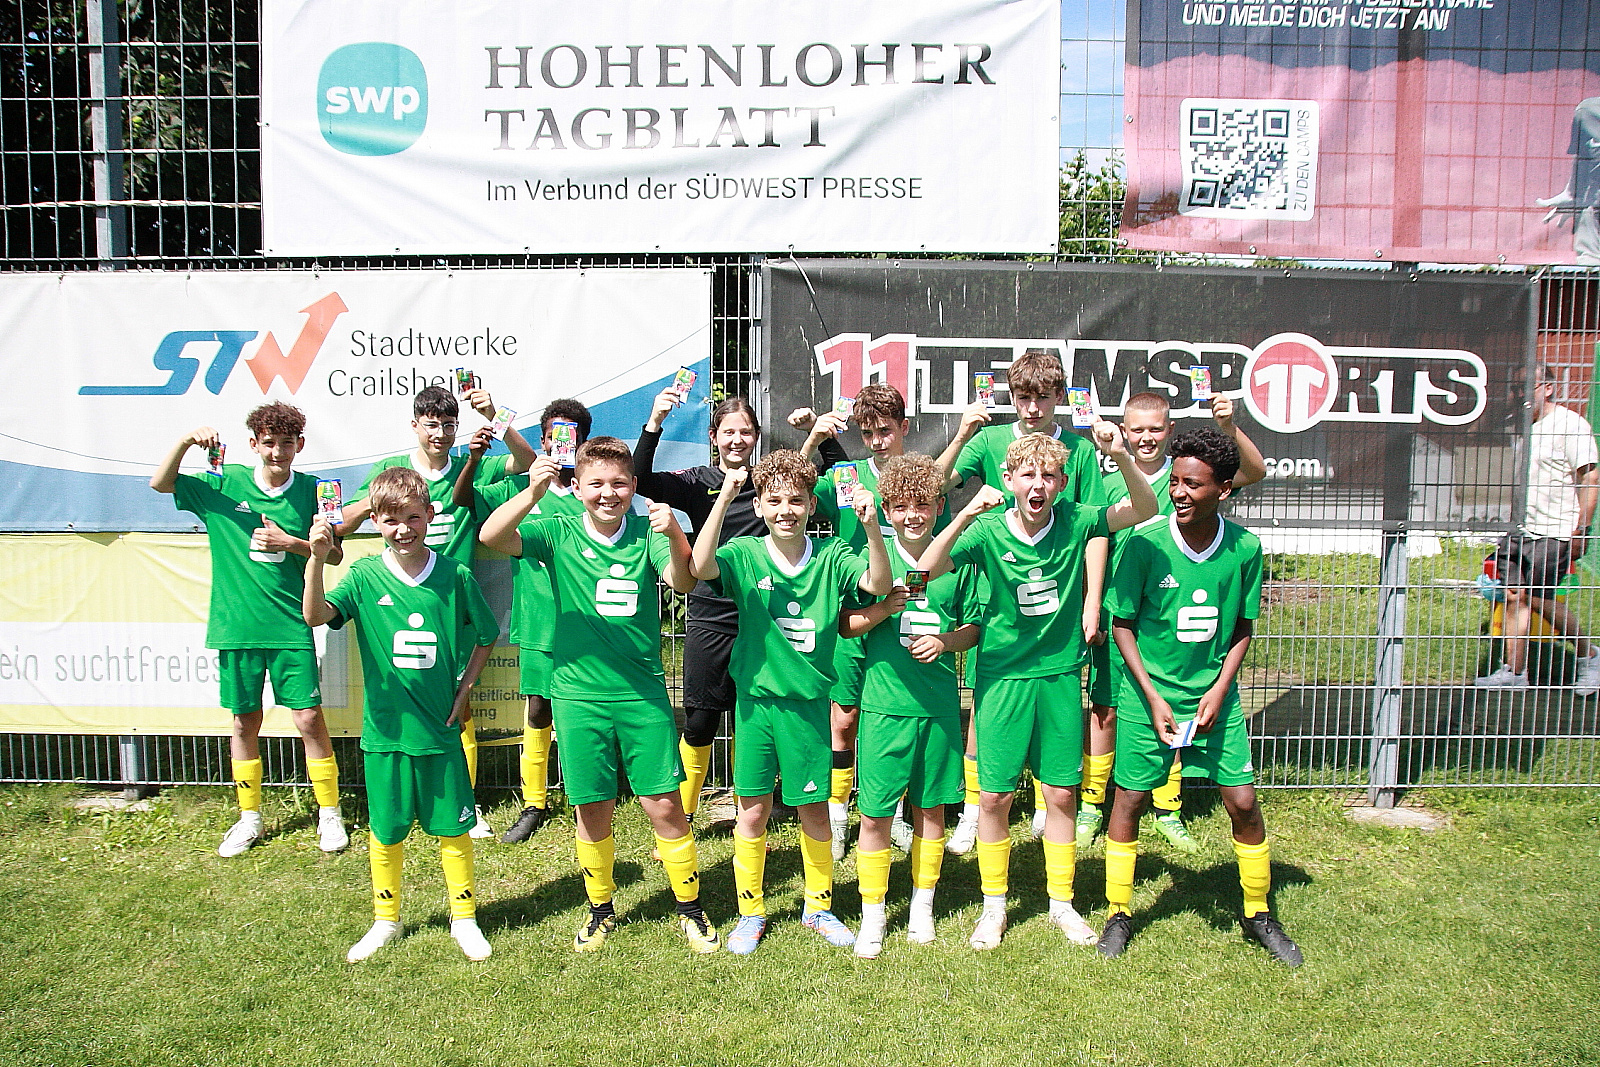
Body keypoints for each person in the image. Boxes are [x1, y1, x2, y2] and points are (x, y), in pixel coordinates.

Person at [919, 425, 1158, 950]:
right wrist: (964, 513)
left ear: (1062, 483)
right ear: (1008, 479)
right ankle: (994, 907)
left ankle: (1061, 904)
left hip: (1058, 675)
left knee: (1060, 792)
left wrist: (1120, 454)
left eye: (1048, 476)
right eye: (1027, 474)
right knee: (995, 796)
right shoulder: (988, 530)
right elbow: (926, 567)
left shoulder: (1078, 519)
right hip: (1002, 677)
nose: (1038, 485)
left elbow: (1144, 507)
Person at [480, 438, 721, 954]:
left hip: (641, 695)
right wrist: (532, 492)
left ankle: (691, 907)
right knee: (592, 806)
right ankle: (600, 910)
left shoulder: (646, 532)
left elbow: (682, 582)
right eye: (596, 484)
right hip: (577, 696)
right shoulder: (557, 530)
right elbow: (491, 536)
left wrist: (675, 532)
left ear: (633, 486)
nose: (608, 494)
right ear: (578, 487)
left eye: (619, 484)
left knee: (663, 804)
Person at [1097, 427, 1301, 967]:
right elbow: (1122, 625)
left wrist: (1220, 687)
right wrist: (1151, 696)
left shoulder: (1245, 548)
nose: (1179, 492)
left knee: (1243, 802)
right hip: (1149, 699)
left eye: (1193, 484)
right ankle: (1119, 912)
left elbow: (1242, 627)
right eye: (1176, 481)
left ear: (1224, 489)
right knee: (1130, 800)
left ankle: (1258, 911)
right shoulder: (1145, 543)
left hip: (1215, 699)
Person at [690, 450, 892, 955]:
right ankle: (751, 911)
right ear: (759, 505)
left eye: (796, 500)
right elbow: (699, 566)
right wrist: (724, 500)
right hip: (756, 706)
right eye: (775, 500)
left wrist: (871, 527)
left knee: (813, 810)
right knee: (752, 810)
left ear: (811, 505)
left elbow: (877, 585)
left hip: (808, 706)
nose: (786, 510)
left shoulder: (832, 555)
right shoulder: (744, 552)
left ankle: (818, 907)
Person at [303, 467, 499, 963]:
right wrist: (316, 559)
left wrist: (466, 685)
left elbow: (486, 634)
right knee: (386, 831)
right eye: (391, 520)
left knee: (453, 829)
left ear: (430, 515)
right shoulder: (364, 576)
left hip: (439, 731)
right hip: (385, 733)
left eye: (413, 517)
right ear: (375, 521)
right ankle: (385, 920)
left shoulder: (454, 575)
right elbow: (315, 615)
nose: (403, 529)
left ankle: (465, 918)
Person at [635, 393, 845, 825]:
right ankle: (685, 813)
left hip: (765, 616)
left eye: (745, 432)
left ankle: (764, 803)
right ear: (714, 436)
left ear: (756, 436)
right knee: (700, 720)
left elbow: (838, 477)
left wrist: (818, 434)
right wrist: (654, 421)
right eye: (728, 432)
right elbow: (641, 480)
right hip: (712, 615)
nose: (737, 439)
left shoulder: (769, 484)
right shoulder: (699, 481)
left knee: (761, 714)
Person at [149, 402, 348, 857]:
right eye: (269, 443)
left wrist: (292, 542)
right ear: (254, 444)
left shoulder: (317, 491)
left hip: (290, 625)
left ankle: (330, 813)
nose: (278, 452)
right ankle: (249, 818)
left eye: (287, 443)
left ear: (299, 445)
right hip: (235, 627)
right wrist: (186, 441)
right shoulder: (224, 482)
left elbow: (334, 555)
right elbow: (160, 483)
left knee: (309, 719)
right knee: (244, 722)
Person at [340, 384, 534, 838]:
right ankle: (413, 801)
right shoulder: (392, 474)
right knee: (412, 704)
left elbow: (526, 462)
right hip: (400, 605)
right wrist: (374, 503)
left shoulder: (474, 465)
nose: (440, 434)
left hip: (451, 604)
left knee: (456, 704)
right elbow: (346, 521)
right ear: (415, 426)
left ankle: (465, 803)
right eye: (431, 425)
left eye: (449, 425)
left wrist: (495, 415)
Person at [935, 351, 1109, 853]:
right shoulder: (989, 440)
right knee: (987, 707)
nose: (1033, 408)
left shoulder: (1077, 449)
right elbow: (937, 485)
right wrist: (961, 435)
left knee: (1052, 721)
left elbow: (1095, 527)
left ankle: (1045, 808)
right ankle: (976, 810)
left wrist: (1091, 602)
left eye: (1043, 398)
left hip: (1054, 605)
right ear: (1011, 397)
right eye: (1024, 398)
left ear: (1060, 398)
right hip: (995, 596)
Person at [1081, 391, 1267, 853]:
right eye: (1136, 429)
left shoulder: (1192, 472)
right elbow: (1096, 537)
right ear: (1124, 431)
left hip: (1174, 624)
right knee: (1107, 708)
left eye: (1155, 428)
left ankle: (1168, 808)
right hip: (1126, 614)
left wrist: (1229, 428)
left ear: (1169, 430)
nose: (1146, 437)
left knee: (1179, 710)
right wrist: (1093, 602)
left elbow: (1255, 470)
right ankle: (1091, 804)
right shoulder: (1108, 481)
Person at [839, 453, 979, 957]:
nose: (912, 515)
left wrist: (944, 642)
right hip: (883, 707)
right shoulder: (869, 558)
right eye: (901, 506)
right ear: (887, 510)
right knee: (875, 814)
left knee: (931, 809)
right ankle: (873, 912)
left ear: (939, 506)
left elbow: (974, 628)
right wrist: (882, 610)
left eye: (922, 504)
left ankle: (922, 904)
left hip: (936, 707)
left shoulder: (958, 562)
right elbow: (845, 624)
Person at [791, 383, 928, 860]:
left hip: (906, 608)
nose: (877, 441)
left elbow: (937, 546)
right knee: (845, 716)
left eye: (885, 431)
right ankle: (837, 813)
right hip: (854, 608)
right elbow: (794, 487)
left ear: (904, 427)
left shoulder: (921, 480)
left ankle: (895, 813)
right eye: (867, 433)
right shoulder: (847, 476)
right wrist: (812, 439)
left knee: (901, 716)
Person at [451, 399, 591, 843]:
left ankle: (586, 795)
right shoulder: (523, 487)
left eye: (570, 436)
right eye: (552, 436)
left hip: (588, 627)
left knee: (583, 712)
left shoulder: (596, 492)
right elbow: (463, 501)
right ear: (543, 441)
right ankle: (534, 803)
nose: (560, 445)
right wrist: (476, 456)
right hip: (538, 623)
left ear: (584, 442)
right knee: (538, 708)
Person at [1477, 364, 1600, 693]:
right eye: (1516, 388)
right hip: (1519, 529)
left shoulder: (1571, 425)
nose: (1520, 395)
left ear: (1547, 388)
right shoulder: (1518, 425)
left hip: (1554, 529)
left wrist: (1582, 529)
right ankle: (1515, 672)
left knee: (1535, 598)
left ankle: (1590, 657)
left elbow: (1590, 477)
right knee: (1513, 596)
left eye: (1527, 387)